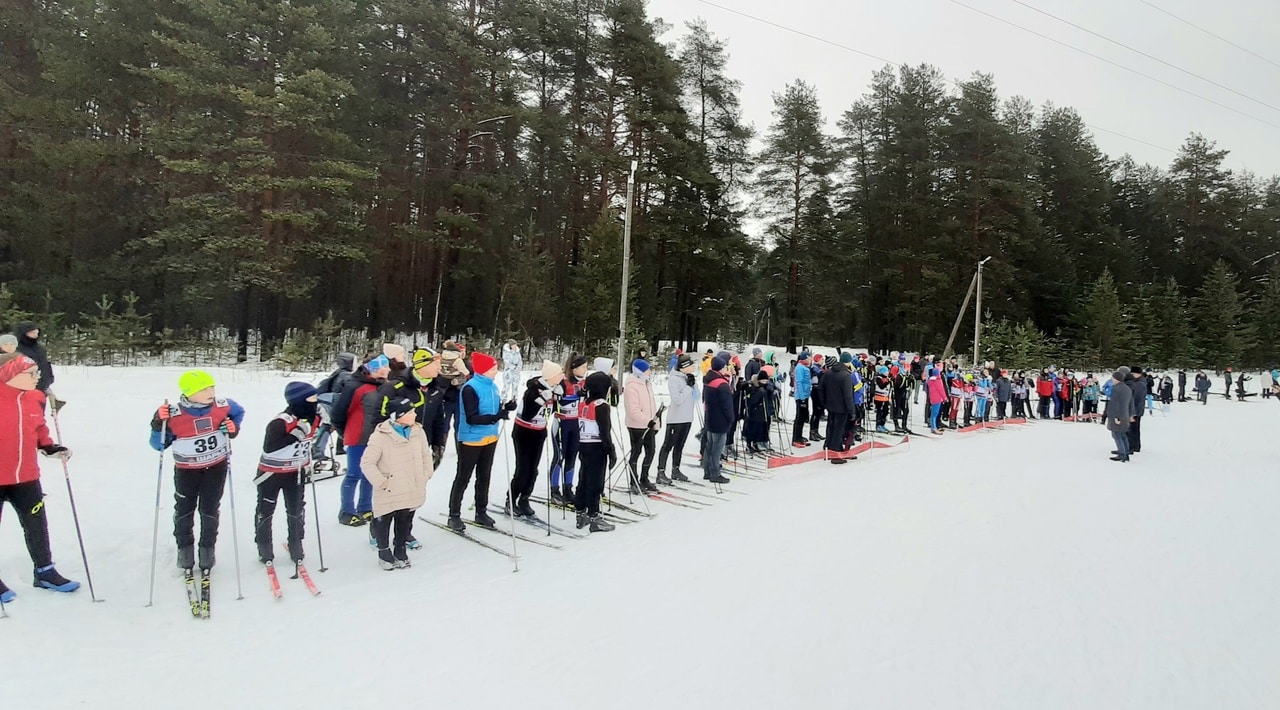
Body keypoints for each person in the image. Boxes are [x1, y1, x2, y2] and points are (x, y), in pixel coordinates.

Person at [150, 370, 246, 573]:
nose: (210, 391)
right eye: (203, 389)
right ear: (189, 392)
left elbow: (239, 413)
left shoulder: (223, 405)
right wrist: (158, 423)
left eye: (211, 387)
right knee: (185, 509)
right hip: (187, 471)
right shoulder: (174, 413)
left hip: (216, 467)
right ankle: (184, 551)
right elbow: (158, 445)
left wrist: (232, 427)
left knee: (210, 509)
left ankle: (207, 550)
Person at [0, 352, 78, 599]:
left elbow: (38, 428)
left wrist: (49, 446)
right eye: (31, 373)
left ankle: (45, 571)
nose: (37, 377)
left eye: (37, 372)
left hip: (26, 476)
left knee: (36, 525)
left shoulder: (34, 398)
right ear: (11, 375)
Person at [362, 397, 433, 569]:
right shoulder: (380, 436)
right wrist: (382, 482)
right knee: (384, 520)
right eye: (409, 412)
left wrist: (425, 474)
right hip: (390, 488)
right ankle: (384, 552)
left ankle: (400, 549)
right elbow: (367, 463)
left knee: (405, 519)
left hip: (412, 484)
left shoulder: (418, 432)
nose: (414, 414)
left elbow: (425, 454)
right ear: (398, 416)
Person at [447, 351, 515, 532]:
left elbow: (492, 408)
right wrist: (496, 417)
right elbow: (472, 418)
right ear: (484, 370)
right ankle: (454, 515)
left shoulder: (491, 386)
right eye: (493, 368)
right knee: (463, 477)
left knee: (484, 476)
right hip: (471, 439)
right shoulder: (470, 388)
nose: (496, 371)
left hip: (489, 438)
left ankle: (481, 511)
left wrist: (505, 407)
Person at [254, 382, 319, 566]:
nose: (315, 402)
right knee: (266, 510)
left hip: (296, 471)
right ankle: (264, 546)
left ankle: (296, 542)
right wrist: (295, 435)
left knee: (296, 509)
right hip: (271, 473)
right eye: (311, 399)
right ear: (299, 401)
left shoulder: (313, 417)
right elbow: (270, 447)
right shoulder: (281, 421)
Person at [331, 354, 391, 526]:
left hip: (377, 438)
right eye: (384, 367)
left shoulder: (384, 386)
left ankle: (365, 507)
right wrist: (345, 433)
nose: (387, 370)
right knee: (354, 474)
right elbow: (338, 413)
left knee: (370, 474)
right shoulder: (354, 386)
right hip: (357, 437)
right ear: (373, 368)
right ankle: (346, 511)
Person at [508, 360, 563, 517]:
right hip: (523, 433)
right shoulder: (532, 391)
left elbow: (549, 413)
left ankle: (524, 498)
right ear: (551, 376)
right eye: (559, 374)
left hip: (539, 432)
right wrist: (541, 401)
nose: (562, 376)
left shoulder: (553, 389)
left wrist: (557, 400)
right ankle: (511, 499)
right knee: (523, 470)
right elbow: (527, 414)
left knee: (534, 470)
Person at [573, 370, 619, 532]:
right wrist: (611, 450)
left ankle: (581, 511)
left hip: (584, 445)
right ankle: (594, 515)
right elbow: (604, 431)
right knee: (595, 481)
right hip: (597, 446)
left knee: (584, 478)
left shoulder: (584, 403)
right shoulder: (601, 406)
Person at [550, 354, 588, 503]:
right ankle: (554, 491)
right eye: (583, 367)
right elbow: (556, 403)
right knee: (559, 457)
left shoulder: (585, 382)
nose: (585, 370)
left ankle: (568, 488)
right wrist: (574, 397)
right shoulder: (563, 383)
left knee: (572, 457)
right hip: (562, 423)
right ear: (574, 368)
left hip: (576, 424)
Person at [657, 353, 698, 483]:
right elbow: (677, 399)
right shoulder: (674, 379)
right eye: (691, 365)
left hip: (687, 418)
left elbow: (696, 397)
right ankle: (661, 472)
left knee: (680, 445)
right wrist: (687, 387)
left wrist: (694, 385)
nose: (693, 367)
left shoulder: (688, 377)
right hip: (675, 419)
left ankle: (676, 469)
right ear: (683, 367)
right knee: (668, 445)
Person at [623, 358, 660, 493]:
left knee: (651, 451)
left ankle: (644, 478)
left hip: (648, 424)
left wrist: (656, 423)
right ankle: (634, 481)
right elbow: (633, 410)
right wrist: (646, 421)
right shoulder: (631, 386)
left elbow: (652, 405)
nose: (650, 372)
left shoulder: (647, 383)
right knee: (636, 452)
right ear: (640, 371)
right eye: (647, 370)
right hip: (636, 426)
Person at [313, 352, 356, 460]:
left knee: (336, 425)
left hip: (331, 403)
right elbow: (352, 389)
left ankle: (339, 448)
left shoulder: (338, 373)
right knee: (331, 426)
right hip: (334, 405)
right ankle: (318, 450)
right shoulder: (346, 375)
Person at [701, 355, 733, 483]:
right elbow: (727, 405)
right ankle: (715, 472)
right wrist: (730, 418)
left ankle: (707, 471)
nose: (726, 369)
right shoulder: (721, 384)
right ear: (720, 368)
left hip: (710, 417)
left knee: (710, 445)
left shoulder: (709, 380)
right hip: (720, 420)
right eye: (725, 367)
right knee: (717, 447)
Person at [821, 353, 855, 464]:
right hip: (842, 407)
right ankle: (835, 454)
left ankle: (829, 448)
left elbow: (821, 389)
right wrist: (851, 411)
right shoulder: (846, 375)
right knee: (838, 430)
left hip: (830, 406)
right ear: (848, 362)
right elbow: (848, 395)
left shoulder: (828, 373)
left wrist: (824, 403)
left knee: (831, 427)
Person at [12, 322, 53, 394]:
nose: (35, 335)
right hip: (21, 389)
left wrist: (49, 378)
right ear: (23, 333)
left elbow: (45, 365)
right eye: (32, 333)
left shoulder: (40, 349)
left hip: (41, 387)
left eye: (37, 333)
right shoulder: (14, 348)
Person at [1105, 367, 1134, 462]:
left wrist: (1116, 417)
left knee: (1117, 435)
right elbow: (1130, 403)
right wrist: (1130, 415)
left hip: (1118, 416)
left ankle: (1122, 454)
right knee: (1122, 434)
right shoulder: (1127, 388)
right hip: (1125, 415)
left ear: (1116, 378)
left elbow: (1116, 404)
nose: (1112, 379)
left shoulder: (1117, 389)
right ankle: (1125, 451)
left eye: (1113, 378)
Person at [791, 351, 812, 446]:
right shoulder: (800, 368)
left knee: (803, 417)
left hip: (805, 395)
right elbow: (798, 382)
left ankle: (800, 436)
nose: (810, 360)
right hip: (801, 396)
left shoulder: (805, 367)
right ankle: (795, 438)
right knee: (799, 417)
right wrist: (802, 397)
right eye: (809, 358)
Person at [1126, 366, 1148, 454]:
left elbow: (1136, 398)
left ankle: (1131, 447)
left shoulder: (1139, 384)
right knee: (1135, 428)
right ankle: (1135, 446)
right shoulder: (1139, 382)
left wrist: (1132, 410)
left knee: (1132, 429)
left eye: (1133, 374)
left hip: (1135, 410)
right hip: (1137, 409)